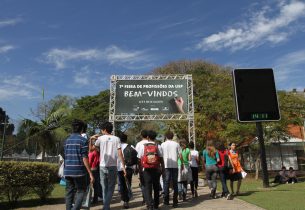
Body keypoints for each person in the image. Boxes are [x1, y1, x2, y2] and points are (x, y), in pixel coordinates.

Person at [95, 122, 126, 210]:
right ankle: (106, 206)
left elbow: (95, 148)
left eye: (101, 129)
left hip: (102, 165)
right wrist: (123, 167)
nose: (101, 131)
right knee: (111, 187)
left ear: (104, 129)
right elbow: (120, 153)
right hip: (113, 165)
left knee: (104, 186)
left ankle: (106, 206)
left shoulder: (100, 139)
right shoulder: (117, 139)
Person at [64, 119, 94, 210]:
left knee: (69, 192)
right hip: (79, 171)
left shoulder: (66, 140)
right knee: (81, 191)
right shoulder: (83, 140)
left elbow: (65, 156)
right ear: (82, 129)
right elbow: (84, 158)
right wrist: (90, 173)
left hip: (67, 170)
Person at [138, 130, 164, 210]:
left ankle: (150, 206)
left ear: (148, 137)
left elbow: (139, 159)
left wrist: (140, 170)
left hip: (146, 169)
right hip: (156, 169)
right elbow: (161, 158)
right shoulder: (158, 146)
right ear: (155, 137)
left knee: (147, 187)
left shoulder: (143, 146)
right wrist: (162, 168)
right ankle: (156, 205)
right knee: (156, 187)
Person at [161, 130, 183, 208]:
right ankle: (175, 201)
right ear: (172, 136)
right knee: (175, 183)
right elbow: (180, 155)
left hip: (166, 166)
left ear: (166, 137)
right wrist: (182, 163)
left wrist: (161, 165)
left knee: (166, 183)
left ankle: (166, 201)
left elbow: (160, 156)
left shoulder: (162, 144)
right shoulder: (176, 144)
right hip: (175, 166)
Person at [117, 132, 135, 209]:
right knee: (128, 183)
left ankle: (124, 199)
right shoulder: (131, 146)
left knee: (122, 184)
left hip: (120, 168)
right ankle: (126, 200)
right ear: (126, 139)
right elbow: (135, 158)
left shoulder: (117, 147)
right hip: (129, 168)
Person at [135, 130, 149, 205]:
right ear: (148, 136)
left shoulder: (138, 144)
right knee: (150, 183)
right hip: (152, 166)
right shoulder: (152, 143)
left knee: (143, 183)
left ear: (141, 135)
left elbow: (137, 157)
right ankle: (149, 198)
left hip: (142, 167)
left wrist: (137, 167)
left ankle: (145, 198)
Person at [88, 135, 103, 204]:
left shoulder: (93, 152)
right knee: (96, 185)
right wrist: (91, 139)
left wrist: (91, 139)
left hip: (92, 169)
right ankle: (95, 198)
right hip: (96, 169)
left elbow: (90, 161)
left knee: (93, 185)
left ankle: (94, 199)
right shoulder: (97, 151)